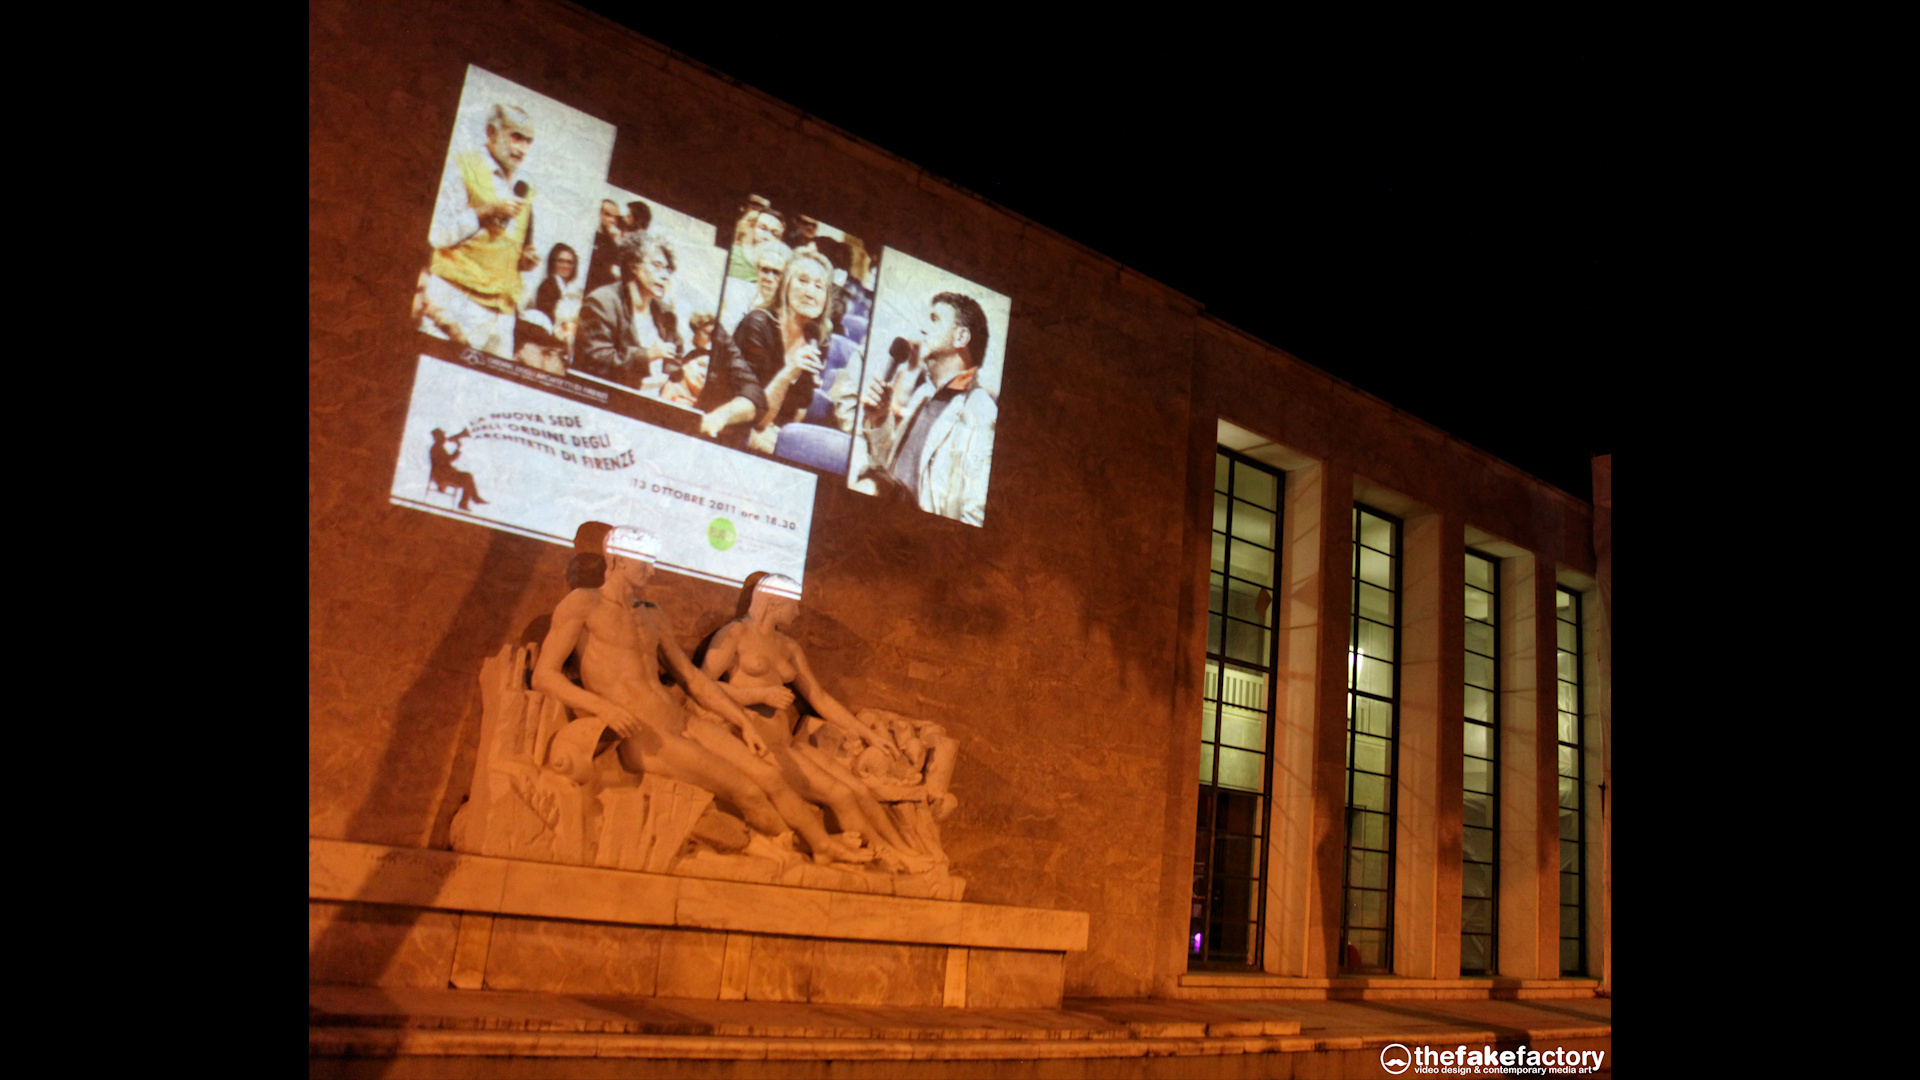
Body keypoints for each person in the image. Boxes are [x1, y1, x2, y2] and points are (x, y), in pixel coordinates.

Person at [531, 528, 870, 865]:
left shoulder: (651, 614)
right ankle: (799, 846)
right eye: (644, 561)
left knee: (768, 775)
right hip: (644, 734)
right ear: (618, 560)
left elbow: (693, 678)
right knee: (748, 790)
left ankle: (821, 844)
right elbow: (544, 675)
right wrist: (602, 708)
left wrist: (742, 722)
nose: (652, 570)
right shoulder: (583, 604)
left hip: (680, 719)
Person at [701, 574, 921, 866]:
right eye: (794, 604)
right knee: (839, 794)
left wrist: (867, 734)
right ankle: (886, 856)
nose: (797, 612)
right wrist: (758, 695)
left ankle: (903, 849)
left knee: (857, 789)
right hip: (755, 744)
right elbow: (701, 684)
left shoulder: (789, 647)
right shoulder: (735, 634)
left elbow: (819, 697)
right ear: (774, 602)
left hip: (785, 743)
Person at [859, 292, 996, 525]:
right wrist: (880, 419)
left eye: (934, 319)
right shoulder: (924, 393)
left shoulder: (982, 413)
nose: (923, 329)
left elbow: (974, 517)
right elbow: (889, 471)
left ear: (961, 337)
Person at [421, 103, 540, 356]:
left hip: (502, 313)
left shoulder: (525, 187)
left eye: (528, 141)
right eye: (516, 137)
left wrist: (524, 261)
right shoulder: (462, 166)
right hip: (457, 298)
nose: (522, 149)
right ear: (491, 133)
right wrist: (485, 212)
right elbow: (437, 234)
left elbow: (501, 244)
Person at [699, 248, 834, 451]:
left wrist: (781, 437)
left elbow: (798, 410)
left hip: (771, 432)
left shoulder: (817, 339)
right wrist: (789, 372)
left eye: (819, 286)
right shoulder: (757, 325)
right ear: (785, 285)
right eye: (803, 281)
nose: (810, 293)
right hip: (726, 427)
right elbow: (757, 418)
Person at [574, 231, 684, 388]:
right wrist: (647, 354)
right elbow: (596, 362)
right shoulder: (602, 302)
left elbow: (676, 355)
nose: (665, 276)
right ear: (634, 267)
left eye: (667, 269)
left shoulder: (665, 312)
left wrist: (670, 382)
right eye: (657, 266)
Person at [428, 427, 487, 511]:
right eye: (442, 436)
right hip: (443, 476)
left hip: (444, 474)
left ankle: (472, 499)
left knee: (467, 476)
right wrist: (457, 449)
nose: (444, 438)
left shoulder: (437, 448)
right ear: (438, 437)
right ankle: (468, 501)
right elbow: (448, 460)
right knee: (467, 477)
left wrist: (457, 450)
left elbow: (447, 461)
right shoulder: (437, 448)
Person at [583, 199, 625, 296]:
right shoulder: (589, 235)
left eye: (615, 217)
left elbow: (619, 270)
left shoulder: (615, 241)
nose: (612, 220)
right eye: (607, 215)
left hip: (603, 292)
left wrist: (617, 242)